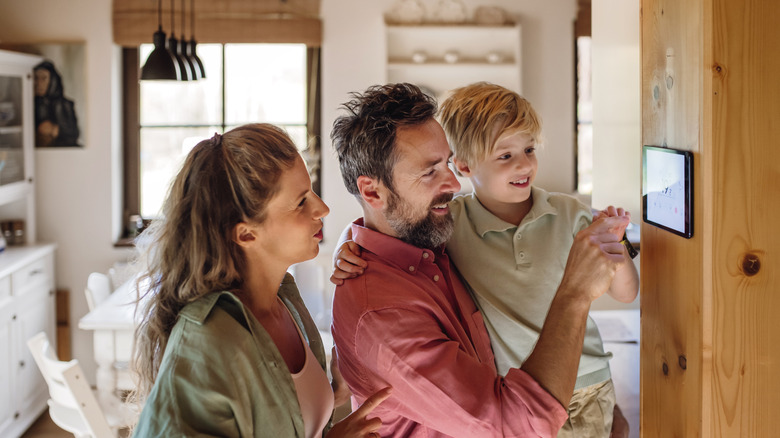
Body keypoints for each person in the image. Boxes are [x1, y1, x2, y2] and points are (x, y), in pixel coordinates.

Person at [333, 82, 639, 437]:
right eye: (430, 171)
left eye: (445, 163)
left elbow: (379, 227)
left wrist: (352, 239)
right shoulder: (390, 304)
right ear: (372, 191)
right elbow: (514, 423)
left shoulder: (430, 234)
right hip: (527, 401)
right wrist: (575, 293)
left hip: (584, 386)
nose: (451, 183)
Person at [131, 123, 390, 437]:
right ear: (246, 233)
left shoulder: (284, 302)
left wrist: (334, 394)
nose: (322, 209)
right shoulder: (205, 343)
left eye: (312, 192)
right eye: (300, 202)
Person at [33, 60, 80, 147]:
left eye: (44, 78)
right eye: (36, 78)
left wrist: (55, 129)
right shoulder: (31, 103)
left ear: (52, 81)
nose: (38, 83)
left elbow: (74, 134)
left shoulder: (64, 104)